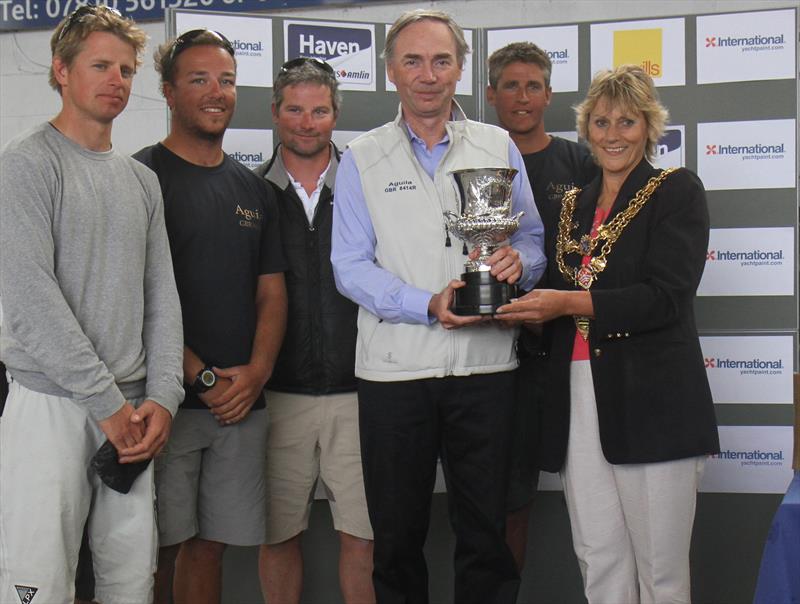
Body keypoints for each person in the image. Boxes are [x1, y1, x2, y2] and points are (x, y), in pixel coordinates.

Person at [331, 9, 546, 604]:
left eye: (442, 60)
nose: (428, 74)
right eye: (414, 61)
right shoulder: (361, 157)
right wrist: (424, 304)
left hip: (486, 372)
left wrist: (516, 265)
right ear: (392, 71)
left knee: (486, 535)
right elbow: (349, 266)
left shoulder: (496, 144)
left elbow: (530, 240)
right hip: (395, 374)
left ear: (460, 69)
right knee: (397, 541)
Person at [496, 65, 720, 603]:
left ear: (648, 126)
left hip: (653, 399)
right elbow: (547, 288)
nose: (613, 134)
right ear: (586, 129)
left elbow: (666, 297)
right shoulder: (572, 203)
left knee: (660, 571)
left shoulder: (676, 190)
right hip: (575, 392)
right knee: (598, 558)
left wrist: (564, 303)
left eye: (627, 121)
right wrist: (500, 287)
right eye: (601, 122)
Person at [0, 6, 184, 602]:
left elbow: (162, 298)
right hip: (50, 406)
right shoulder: (25, 167)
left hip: (133, 418)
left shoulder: (140, 182)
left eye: (127, 70)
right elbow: (31, 302)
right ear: (61, 70)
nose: (117, 81)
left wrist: (162, 396)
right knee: (39, 580)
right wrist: (106, 404)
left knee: (131, 583)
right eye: (101, 66)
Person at [133, 29, 288, 604]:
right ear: (170, 91)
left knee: (211, 547)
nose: (216, 91)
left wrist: (256, 374)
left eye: (225, 79)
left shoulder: (255, 189)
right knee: (156, 547)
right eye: (199, 79)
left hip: (240, 404)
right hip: (164, 402)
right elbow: (139, 299)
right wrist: (198, 376)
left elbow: (271, 294)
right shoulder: (139, 178)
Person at [254, 57, 374, 604]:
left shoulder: (364, 183)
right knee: (278, 536)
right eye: (295, 110)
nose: (307, 122)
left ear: (335, 114)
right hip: (279, 396)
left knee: (363, 537)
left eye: (319, 111)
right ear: (276, 113)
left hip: (359, 389)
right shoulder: (250, 192)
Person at [486, 41, 598, 570]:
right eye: (511, 85)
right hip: (492, 350)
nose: (522, 96)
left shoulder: (579, 161)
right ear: (491, 94)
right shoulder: (473, 157)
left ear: (549, 94)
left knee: (597, 488)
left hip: (571, 348)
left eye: (533, 85)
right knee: (507, 498)